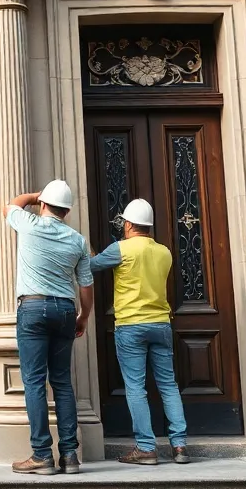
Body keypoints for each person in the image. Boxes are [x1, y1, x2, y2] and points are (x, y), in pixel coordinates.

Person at [90, 198, 190, 466]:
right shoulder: (164, 251)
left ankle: (146, 448)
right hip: (160, 323)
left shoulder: (120, 249)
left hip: (131, 324)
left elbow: (91, 266)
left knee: (136, 387)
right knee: (169, 386)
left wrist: (85, 247)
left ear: (129, 224)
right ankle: (179, 446)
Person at [5, 179, 94, 476]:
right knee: (62, 382)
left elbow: (12, 205)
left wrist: (33, 195)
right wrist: (83, 316)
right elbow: (85, 284)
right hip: (66, 310)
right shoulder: (78, 241)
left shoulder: (28, 224)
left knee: (34, 382)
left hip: (32, 307)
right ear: (67, 211)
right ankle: (70, 455)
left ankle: (42, 454)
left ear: (43, 204)